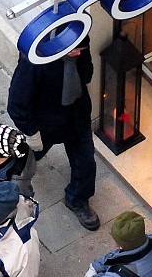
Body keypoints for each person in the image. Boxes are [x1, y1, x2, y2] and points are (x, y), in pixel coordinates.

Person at [7, 38, 100, 231]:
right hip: (45, 125)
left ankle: (77, 198)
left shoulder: (80, 49)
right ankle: (5, 186)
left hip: (76, 117)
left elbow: (87, 75)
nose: (78, 53)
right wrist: (32, 133)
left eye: (80, 50)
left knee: (86, 163)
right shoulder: (34, 63)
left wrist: (77, 61)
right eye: (72, 51)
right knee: (23, 162)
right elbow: (17, 104)